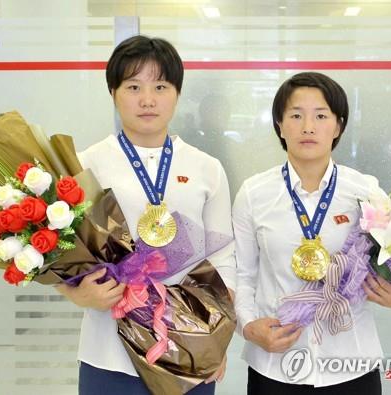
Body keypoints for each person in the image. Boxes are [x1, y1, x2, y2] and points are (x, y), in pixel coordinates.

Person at [56, 35, 236, 395]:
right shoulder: (86, 165)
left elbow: (224, 258)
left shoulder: (206, 168)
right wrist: (76, 295)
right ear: (113, 92)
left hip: (189, 346)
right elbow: (60, 250)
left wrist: (216, 337)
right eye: (133, 86)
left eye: (160, 86)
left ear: (177, 93)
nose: (148, 99)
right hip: (108, 348)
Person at [233, 72, 391, 394]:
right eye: (296, 115)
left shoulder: (364, 191)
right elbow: (243, 274)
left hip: (352, 364)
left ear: (338, 126)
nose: (308, 126)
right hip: (275, 365)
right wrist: (249, 327)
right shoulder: (254, 193)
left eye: (321, 116)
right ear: (279, 125)